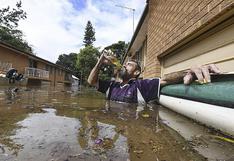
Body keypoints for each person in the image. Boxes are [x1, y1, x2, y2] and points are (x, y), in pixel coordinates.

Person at [88, 50, 221, 104]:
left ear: (136, 73)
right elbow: (91, 81)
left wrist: (188, 72)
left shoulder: (141, 86)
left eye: (129, 65)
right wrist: (100, 62)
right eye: (125, 64)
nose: (124, 65)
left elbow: (165, 78)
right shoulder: (111, 86)